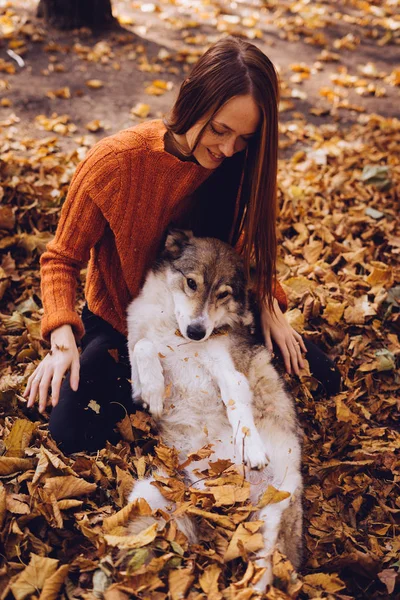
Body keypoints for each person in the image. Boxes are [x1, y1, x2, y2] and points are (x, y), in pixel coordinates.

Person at [24, 36, 340, 453]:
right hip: (125, 326)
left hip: (212, 322)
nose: (228, 148)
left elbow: (245, 255)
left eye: (244, 138)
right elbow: (61, 258)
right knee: (70, 433)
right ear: (191, 102)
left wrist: (269, 305)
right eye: (219, 129)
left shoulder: (236, 167)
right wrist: (63, 343)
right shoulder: (115, 162)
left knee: (322, 377)